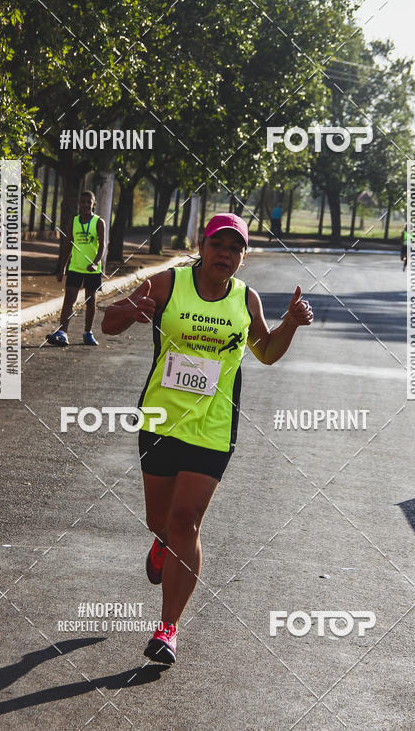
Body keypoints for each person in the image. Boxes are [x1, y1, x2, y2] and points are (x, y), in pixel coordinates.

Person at [101, 213, 313, 665]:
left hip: (214, 428)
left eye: (235, 248)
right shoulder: (167, 284)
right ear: (203, 244)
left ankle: (167, 629)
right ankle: (160, 541)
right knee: (161, 520)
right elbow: (109, 324)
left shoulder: (246, 299)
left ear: (243, 256)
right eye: (219, 244)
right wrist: (131, 312)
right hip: (160, 421)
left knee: (187, 521)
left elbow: (267, 352)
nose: (226, 254)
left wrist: (290, 323)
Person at [46, 190, 106, 346]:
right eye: (83, 202)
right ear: (79, 204)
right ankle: (62, 332)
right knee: (69, 300)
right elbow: (68, 245)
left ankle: (88, 332)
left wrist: (95, 263)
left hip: (92, 269)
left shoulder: (99, 222)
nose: (86, 205)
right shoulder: (74, 221)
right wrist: (62, 267)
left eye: (89, 202)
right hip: (76, 267)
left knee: (90, 300)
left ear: (94, 204)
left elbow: (102, 246)